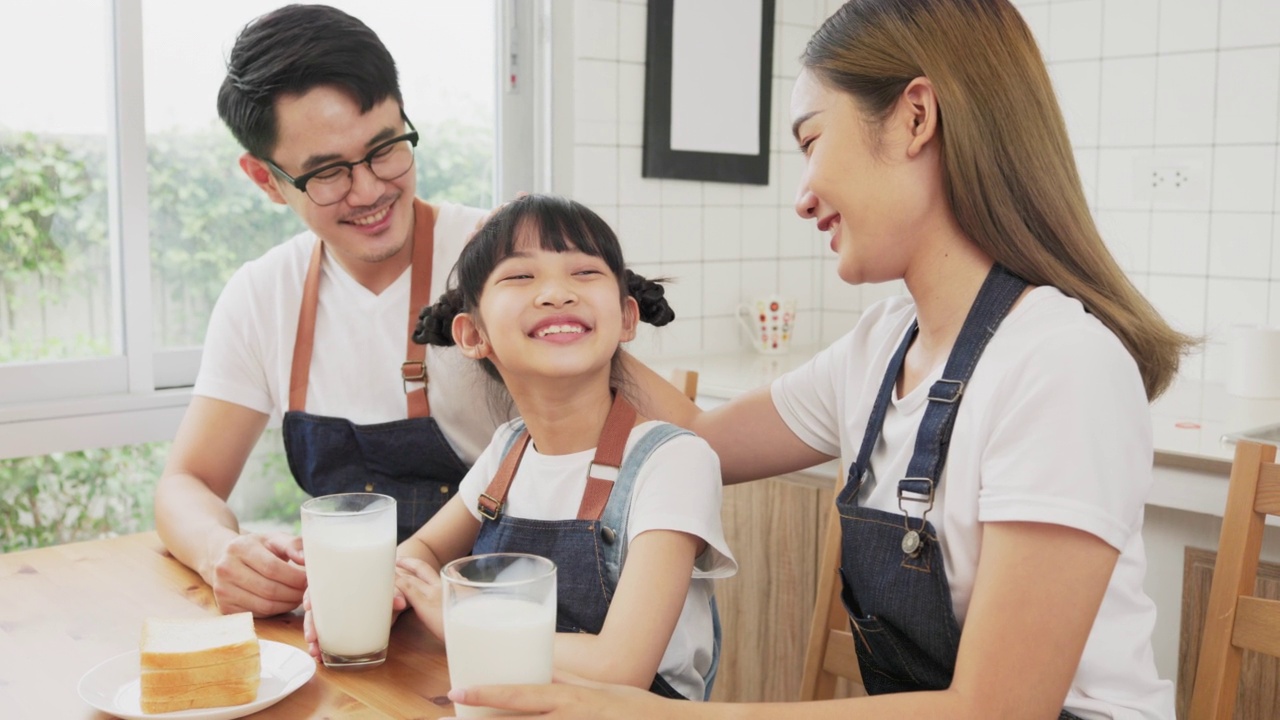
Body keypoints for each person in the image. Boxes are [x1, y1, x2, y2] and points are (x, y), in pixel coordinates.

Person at [445, 1, 1194, 718]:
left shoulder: (1058, 364)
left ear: (916, 117)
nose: (802, 197)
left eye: (810, 142)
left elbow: (998, 710)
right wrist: (557, 302)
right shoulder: (880, 346)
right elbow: (695, 440)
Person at [304, 194, 736, 701]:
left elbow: (621, 669)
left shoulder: (673, 462)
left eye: (584, 272)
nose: (556, 293)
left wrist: (458, 617)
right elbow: (419, 550)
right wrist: (374, 589)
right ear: (472, 334)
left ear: (625, 318)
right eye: (520, 277)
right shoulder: (507, 451)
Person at [154, 4, 503, 619]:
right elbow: (187, 484)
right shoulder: (263, 295)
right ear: (265, 179)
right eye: (327, 173)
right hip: (355, 627)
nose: (369, 190)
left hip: (503, 616)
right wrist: (220, 551)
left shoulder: (500, 260)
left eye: (385, 148)